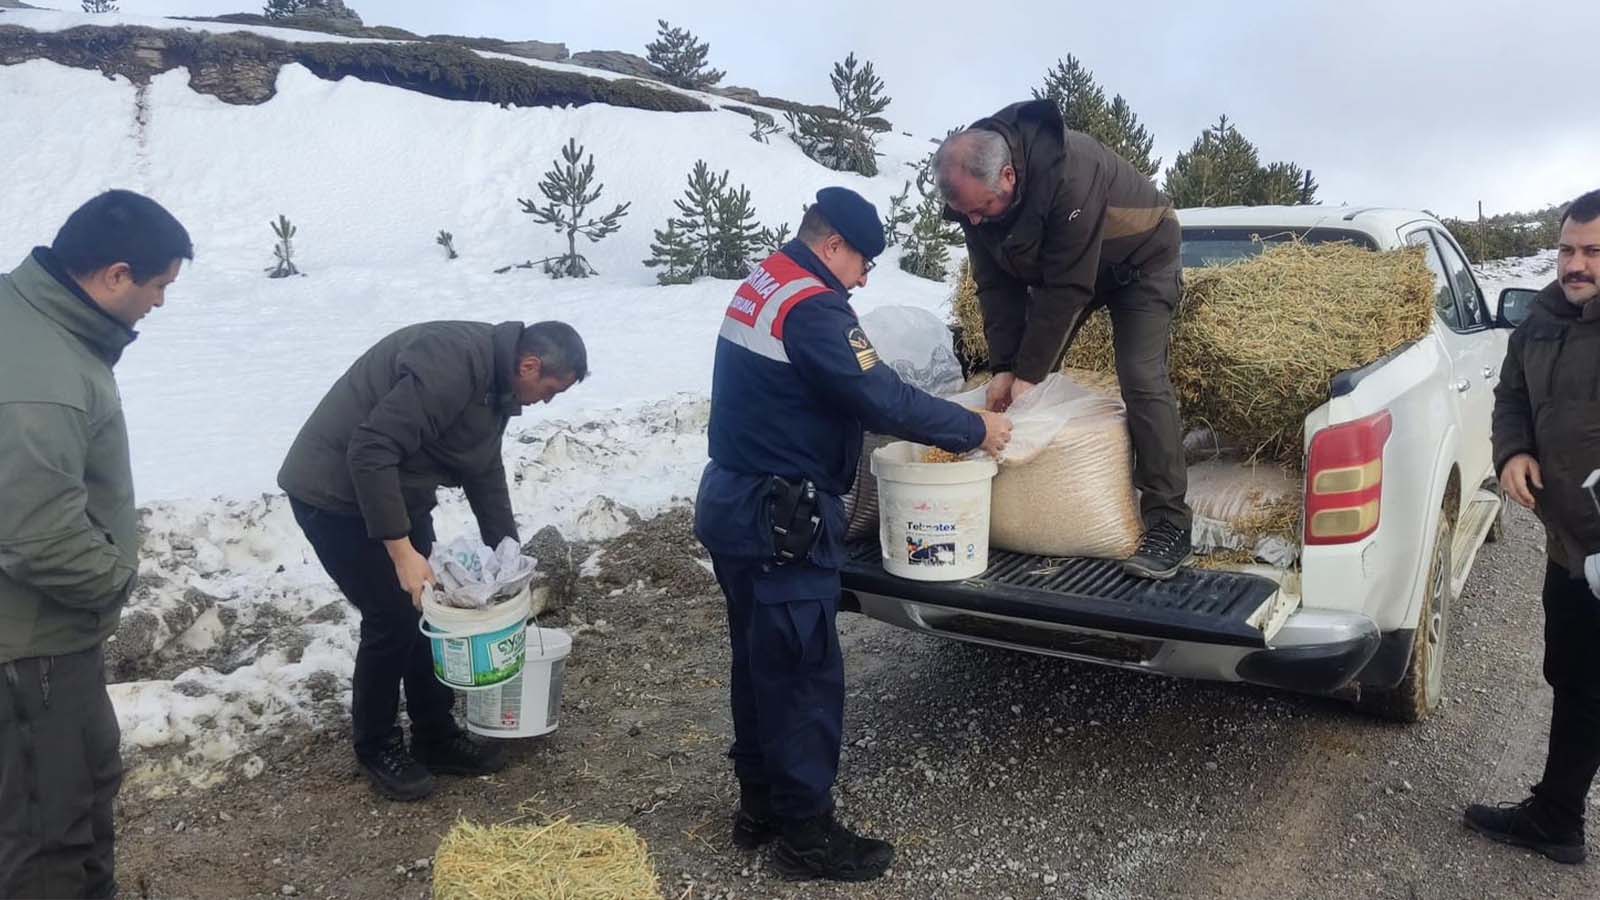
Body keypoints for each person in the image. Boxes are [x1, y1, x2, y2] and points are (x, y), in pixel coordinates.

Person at [695, 187, 1013, 882]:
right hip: (780, 517)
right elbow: (880, 397)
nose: (866, 277)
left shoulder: (765, 282)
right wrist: (974, 429)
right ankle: (806, 835)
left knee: (758, 663)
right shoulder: (812, 307)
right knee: (805, 674)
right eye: (863, 262)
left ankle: (759, 807)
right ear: (832, 244)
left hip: (733, 502)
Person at [277, 319, 586, 801]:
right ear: (529, 365)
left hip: (398, 492)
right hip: (333, 493)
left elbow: (483, 468)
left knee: (431, 608)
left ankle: (435, 736)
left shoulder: (497, 385)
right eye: (550, 389)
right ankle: (377, 746)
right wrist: (401, 552)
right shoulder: (454, 362)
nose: (546, 401)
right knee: (392, 616)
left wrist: (508, 555)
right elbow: (370, 448)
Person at [0, 190, 192, 898]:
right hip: (30, 647)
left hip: (43, 644)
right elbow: (36, 536)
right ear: (116, 275)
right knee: (48, 830)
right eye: (159, 286)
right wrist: (113, 581)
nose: (160, 304)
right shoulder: (40, 382)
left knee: (76, 791)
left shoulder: (28, 322)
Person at [933, 99, 1192, 580]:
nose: (974, 222)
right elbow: (995, 286)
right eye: (964, 213)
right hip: (1067, 271)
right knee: (1021, 378)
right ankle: (1028, 508)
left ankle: (1170, 522)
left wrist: (1029, 376)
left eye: (981, 210)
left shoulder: (1074, 170)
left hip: (1139, 263)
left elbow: (1067, 290)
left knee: (1139, 376)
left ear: (1008, 176)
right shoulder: (976, 203)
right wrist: (1005, 367)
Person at [1465, 188, 1600, 864]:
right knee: (1574, 677)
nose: (1576, 265)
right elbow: (1511, 397)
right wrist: (1513, 451)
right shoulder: (1540, 321)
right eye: (1568, 250)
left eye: (1593, 252)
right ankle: (1558, 818)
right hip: (1568, 544)